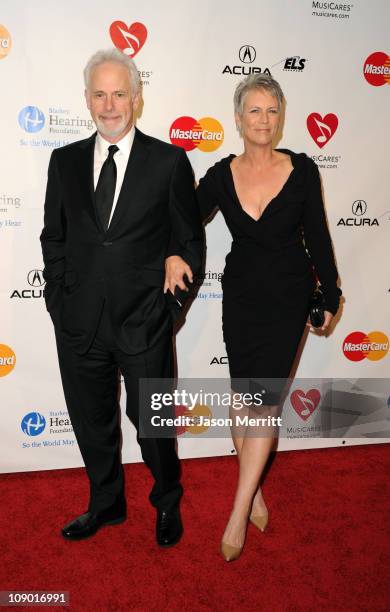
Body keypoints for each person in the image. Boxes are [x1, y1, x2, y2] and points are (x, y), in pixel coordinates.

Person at [40, 49, 203, 547]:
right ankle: (105, 504)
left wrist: (167, 310)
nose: (110, 105)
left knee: (152, 425)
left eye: (119, 93)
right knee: (93, 423)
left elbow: (189, 242)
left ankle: (167, 500)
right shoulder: (64, 162)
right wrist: (59, 302)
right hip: (79, 323)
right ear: (87, 99)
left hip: (143, 322)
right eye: (99, 94)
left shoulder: (169, 161)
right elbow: (55, 238)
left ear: (137, 96)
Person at [196, 74, 341, 561]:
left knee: (262, 406)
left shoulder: (301, 170)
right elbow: (183, 217)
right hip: (240, 298)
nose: (263, 119)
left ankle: (237, 514)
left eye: (271, 111)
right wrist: (171, 252)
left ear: (281, 118)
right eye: (253, 111)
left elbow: (318, 236)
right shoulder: (220, 175)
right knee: (243, 399)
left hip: (287, 299)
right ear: (238, 119)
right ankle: (254, 487)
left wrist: (331, 292)